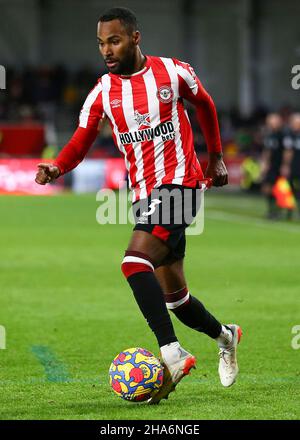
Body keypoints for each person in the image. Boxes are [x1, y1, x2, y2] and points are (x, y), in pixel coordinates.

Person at [35, 7, 242, 404]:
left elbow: (206, 105)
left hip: (181, 183)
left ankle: (171, 353)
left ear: (134, 38)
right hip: (144, 194)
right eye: (100, 43)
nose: (106, 50)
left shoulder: (173, 72)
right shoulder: (102, 93)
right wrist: (57, 166)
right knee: (177, 300)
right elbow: (82, 139)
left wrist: (215, 156)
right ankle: (227, 336)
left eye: (113, 40)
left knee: (133, 263)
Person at [260, 113, 285, 219]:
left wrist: (285, 165)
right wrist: (264, 163)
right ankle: (272, 210)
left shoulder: (283, 135)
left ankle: (277, 211)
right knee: (266, 188)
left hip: (279, 165)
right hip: (271, 166)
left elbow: (287, 152)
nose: (270, 124)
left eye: (272, 121)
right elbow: (267, 151)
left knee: (279, 189)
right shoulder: (269, 135)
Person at [282, 113, 300, 218]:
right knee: (290, 188)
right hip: (294, 166)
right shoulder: (289, 135)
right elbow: (288, 152)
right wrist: (286, 165)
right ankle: (289, 211)